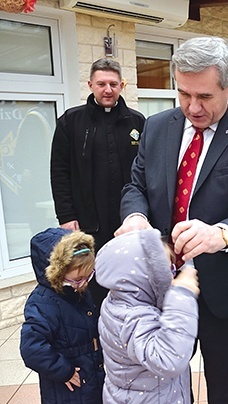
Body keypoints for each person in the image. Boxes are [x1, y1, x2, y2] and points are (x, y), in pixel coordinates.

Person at [115, 36, 228, 404]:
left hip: (224, 288)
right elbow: (136, 186)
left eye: (204, 96)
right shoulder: (157, 127)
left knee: (226, 393)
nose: (192, 107)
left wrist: (221, 233)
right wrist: (136, 216)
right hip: (163, 284)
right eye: (183, 94)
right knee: (167, 382)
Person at [50, 58, 146, 311]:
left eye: (113, 84)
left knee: (129, 277)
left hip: (126, 221)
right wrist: (66, 215)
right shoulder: (71, 122)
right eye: (101, 83)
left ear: (122, 85)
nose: (108, 89)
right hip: (87, 221)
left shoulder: (137, 122)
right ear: (90, 84)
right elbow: (59, 171)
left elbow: (148, 173)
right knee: (93, 282)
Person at [96, 229, 200, 404]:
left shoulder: (119, 301)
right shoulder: (132, 318)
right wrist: (181, 296)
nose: (172, 275)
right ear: (143, 278)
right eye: (166, 270)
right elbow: (169, 359)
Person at [20, 228, 104, 404]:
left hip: (87, 377)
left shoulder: (77, 291)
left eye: (88, 277)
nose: (83, 284)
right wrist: (63, 370)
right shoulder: (43, 303)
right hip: (66, 389)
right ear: (56, 273)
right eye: (76, 279)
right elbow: (31, 348)